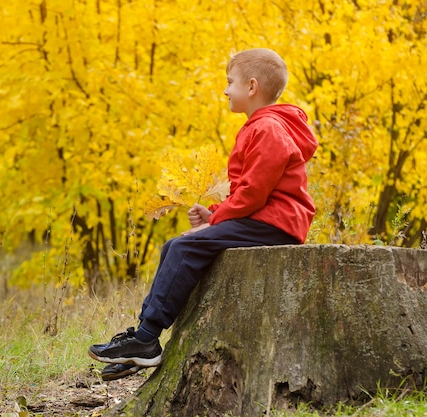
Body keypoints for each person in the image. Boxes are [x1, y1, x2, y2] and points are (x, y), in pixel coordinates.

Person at [90, 48, 319, 381]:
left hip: (276, 223)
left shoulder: (268, 128)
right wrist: (213, 213)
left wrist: (216, 220)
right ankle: (141, 345)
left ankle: (146, 339)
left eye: (230, 82)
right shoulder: (261, 126)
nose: (225, 90)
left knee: (184, 248)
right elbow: (249, 192)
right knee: (173, 246)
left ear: (251, 87)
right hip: (262, 218)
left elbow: (255, 192)